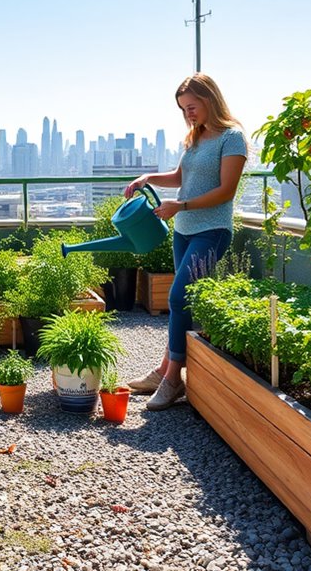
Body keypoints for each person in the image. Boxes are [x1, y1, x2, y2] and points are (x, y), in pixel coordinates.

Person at [123, 73, 247, 411]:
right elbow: (180, 178)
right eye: (183, 109)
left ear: (209, 99)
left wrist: (181, 205)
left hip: (212, 230)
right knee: (182, 303)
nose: (188, 113)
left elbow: (226, 191)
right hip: (184, 229)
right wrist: (148, 177)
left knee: (178, 296)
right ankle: (164, 368)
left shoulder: (232, 138)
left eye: (192, 106)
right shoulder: (195, 137)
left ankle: (173, 379)